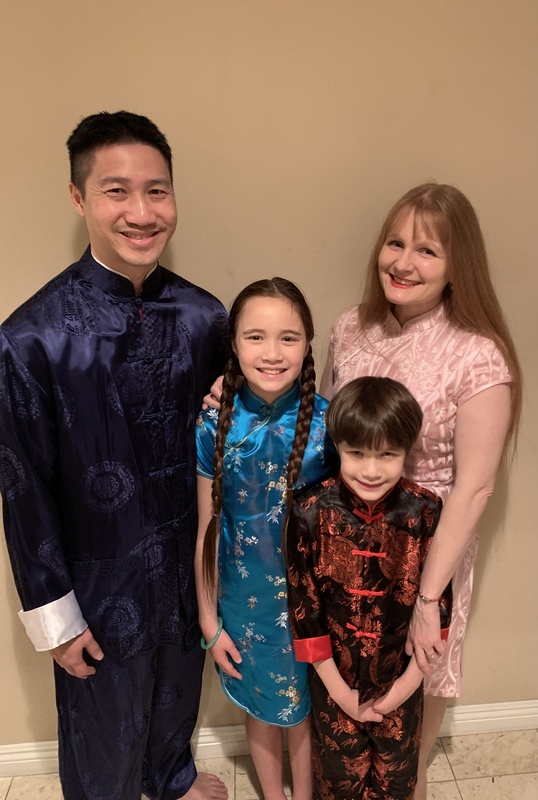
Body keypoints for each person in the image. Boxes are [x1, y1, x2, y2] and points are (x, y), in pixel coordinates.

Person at [0, 111, 229, 800]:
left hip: (187, 568)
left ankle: (172, 778)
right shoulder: (30, 339)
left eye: (157, 191)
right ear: (79, 198)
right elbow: (22, 488)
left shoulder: (207, 319)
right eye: (117, 191)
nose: (142, 212)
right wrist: (56, 620)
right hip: (98, 584)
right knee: (100, 731)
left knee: (177, 695)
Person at [319, 182, 522, 798]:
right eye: (395, 243)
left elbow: (475, 487)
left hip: (426, 552)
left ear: (458, 266)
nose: (403, 263)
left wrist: (429, 598)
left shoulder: (478, 356)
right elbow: (323, 426)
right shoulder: (350, 328)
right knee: (343, 701)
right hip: (343, 540)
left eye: (427, 250)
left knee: (409, 717)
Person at [195, 278, 337, 800]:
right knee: (262, 708)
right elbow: (206, 529)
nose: (272, 353)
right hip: (244, 604)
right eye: (255, 337)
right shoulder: (214, 423)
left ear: (308, 344)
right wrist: (208, 620)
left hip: (313, 602)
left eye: (288, 338)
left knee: (304, 707)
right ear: (234, 344)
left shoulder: (329, 424)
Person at [286, 376, 452, 800]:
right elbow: (304, 611)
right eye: (357, 453)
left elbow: (439, 610)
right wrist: (340, 693)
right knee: (337, 783)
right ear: (338, 446)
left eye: (388, 454)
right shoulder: (308, 511)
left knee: (396, 784)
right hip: (333, 684)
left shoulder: (426, 512)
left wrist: (402, 690)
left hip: (402, 682)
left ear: (407, 450)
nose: (372, 470)